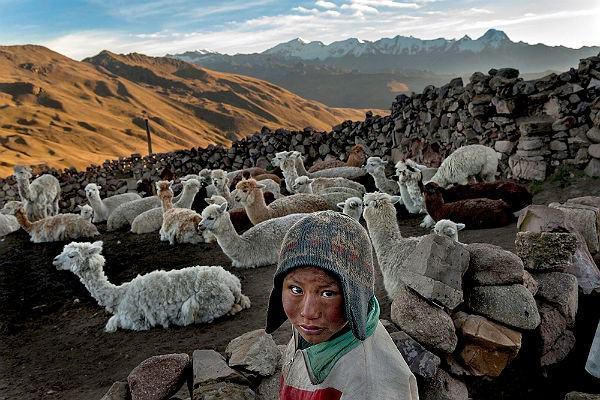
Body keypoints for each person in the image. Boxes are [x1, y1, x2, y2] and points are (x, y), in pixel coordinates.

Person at [265, 210, 419, 399]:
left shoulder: (369, 387)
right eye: (296, 290)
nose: (308, 312)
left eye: (327, 293)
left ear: (356, 297)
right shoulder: (314, 330)